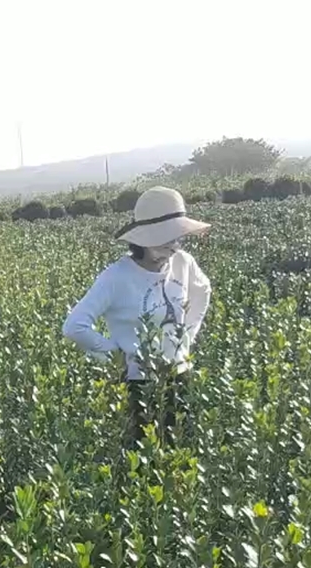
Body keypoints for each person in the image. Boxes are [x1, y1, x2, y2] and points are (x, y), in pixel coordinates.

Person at [62, 186, 212, 445]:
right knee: (144, 465)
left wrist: (187, 336)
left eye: (176, 238)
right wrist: (116, 355)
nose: (173, 246)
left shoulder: (183, 262)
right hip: (137, 385)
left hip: (179, 377)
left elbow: (203, 291)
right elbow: (74, 326)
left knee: (181, 456)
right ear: (142, 240)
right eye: (164, 238)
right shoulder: (116, 276)